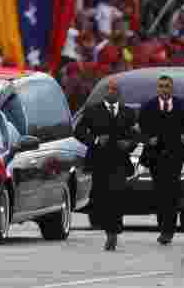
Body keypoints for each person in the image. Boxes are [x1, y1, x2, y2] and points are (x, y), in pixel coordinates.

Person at [74, 77, 138, 251]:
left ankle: (113, 232)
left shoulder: (128, 113)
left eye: (115, 89)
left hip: (119, 161)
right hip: (99, 161)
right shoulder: (92, 111)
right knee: (102, 197)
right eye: (109, 89)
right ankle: (109, 227)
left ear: (119, 93)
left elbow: (136, 135)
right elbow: (79, 131)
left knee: (116, 194)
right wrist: (94, 140)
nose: (112, 92)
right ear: (105, 92)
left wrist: (129, 144)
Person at [137, 74, 184, 244]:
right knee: (160, 193)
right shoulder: (148, 107)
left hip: (174, 156)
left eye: (167, 86)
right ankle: (162, 225)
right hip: (155, 157)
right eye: (161, 86)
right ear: (157, 88)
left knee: (171, 192)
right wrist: (148, 139)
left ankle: (168, 230)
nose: (164, 89)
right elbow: (140, 131)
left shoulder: (182, 106)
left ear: (172, 88)